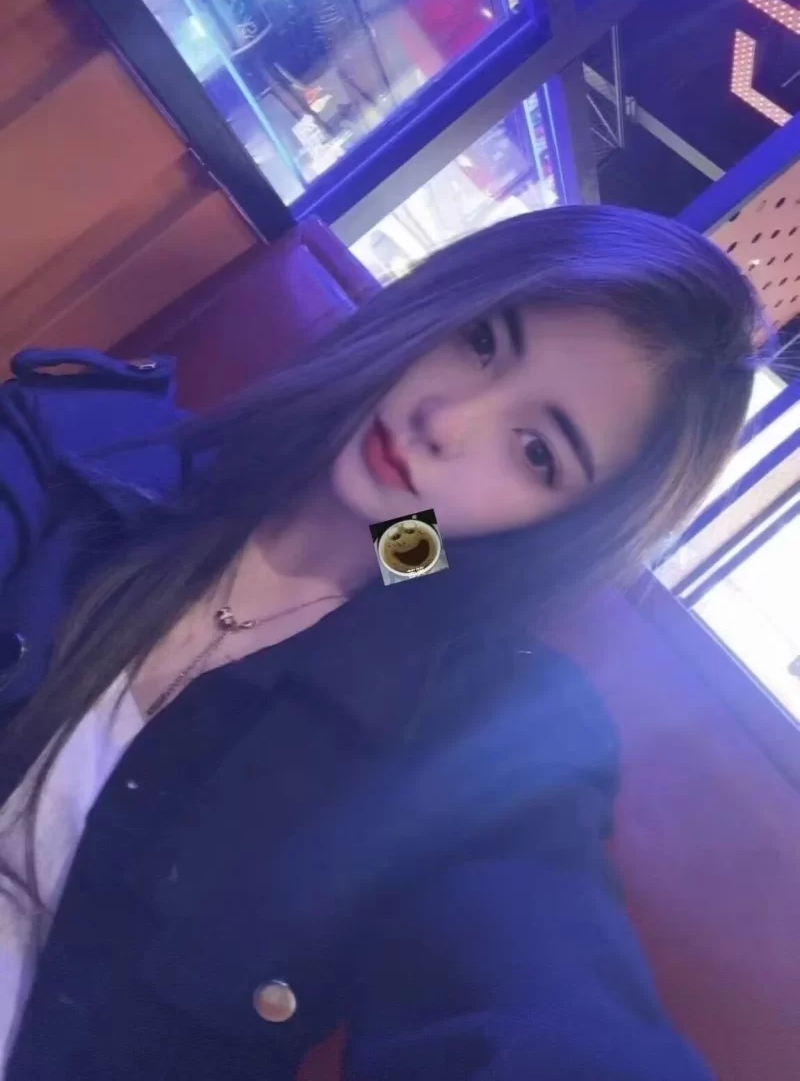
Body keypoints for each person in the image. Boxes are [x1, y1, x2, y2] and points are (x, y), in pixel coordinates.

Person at [0, 206, 761, 1080]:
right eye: (481, 341)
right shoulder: (85, 448)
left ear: (557, 523)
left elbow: (538, 982)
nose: (448, 421)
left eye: (536, 453)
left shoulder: (479, 742)